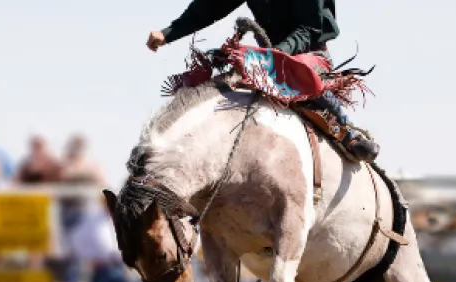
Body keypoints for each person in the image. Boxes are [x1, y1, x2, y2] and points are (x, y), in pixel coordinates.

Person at [146, 0, 379, 162]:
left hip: (309, 55)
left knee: (295, 76)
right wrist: (168, 33)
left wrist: (275, 55)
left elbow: (311, 28)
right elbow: (209, 6)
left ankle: (347, 132)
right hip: (265, 57)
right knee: (211, 67)